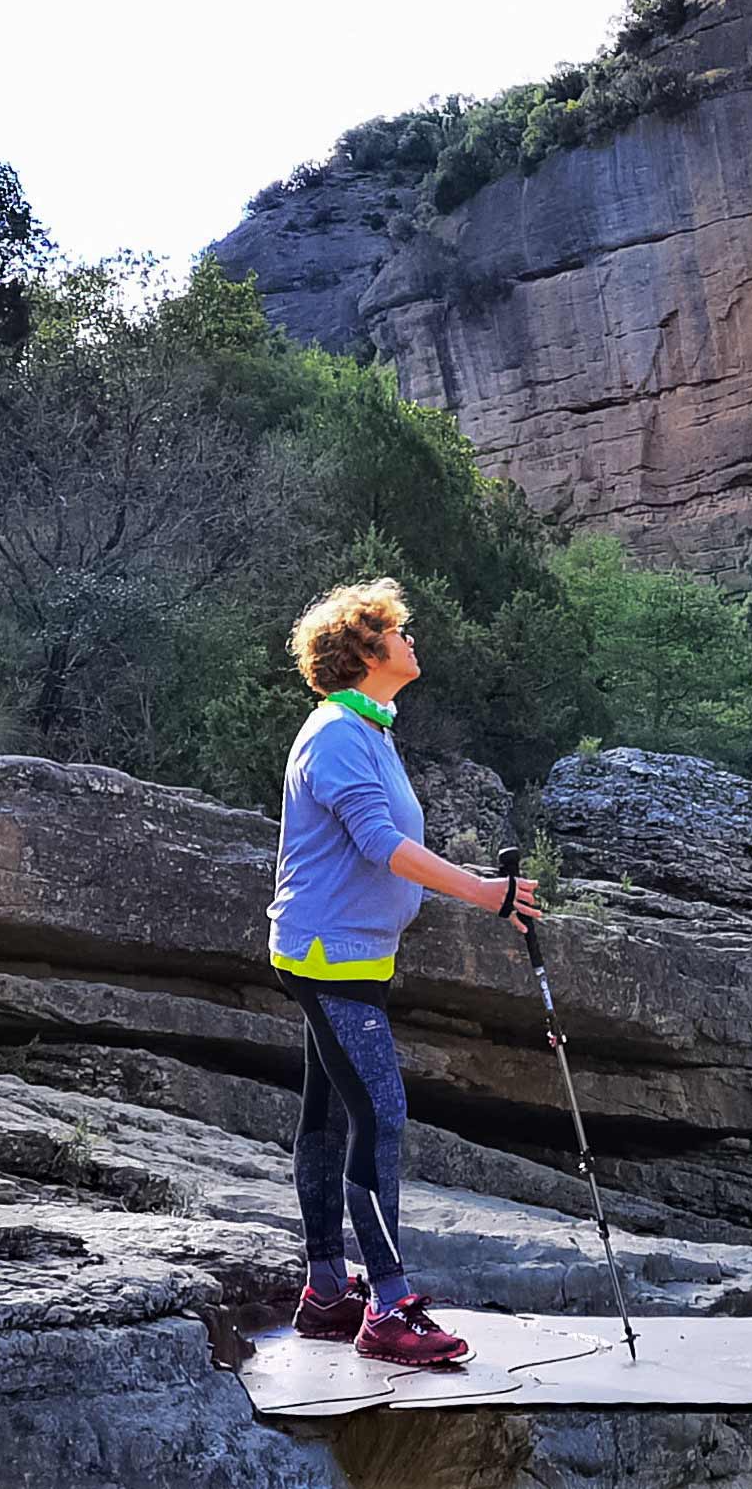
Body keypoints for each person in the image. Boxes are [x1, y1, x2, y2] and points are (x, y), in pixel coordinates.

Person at [266, 576, 540, 1367]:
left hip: (345, 955)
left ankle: (325, 1293)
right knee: (379, 1118)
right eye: (398, 631)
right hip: (330, 962)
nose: (412, 640)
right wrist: (485, 893)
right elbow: (383, 846)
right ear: (364, 652)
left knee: (326, 1118)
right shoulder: (337, 736)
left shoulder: (367, 730)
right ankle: (387, 1308)